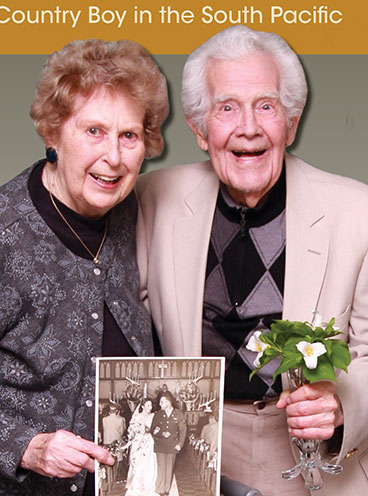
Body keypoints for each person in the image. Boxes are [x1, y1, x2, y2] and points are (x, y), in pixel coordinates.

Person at [136, 25, 368, 495]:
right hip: (190, 445)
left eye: (266, 106)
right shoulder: (152, 197)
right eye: (227, 108)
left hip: (311, 455)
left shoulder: (357, 211)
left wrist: (342, 402)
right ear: (200, 131)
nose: (248, 127)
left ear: (291, 123)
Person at [0, 38, 168, 495]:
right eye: (93, 131)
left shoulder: (126, 213)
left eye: (129, 136)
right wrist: (28, 446)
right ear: (53, 133)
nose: (113, 157)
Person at [150, 392, 187, 496]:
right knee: (161, 467)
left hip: (172, 445)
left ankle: (166, 490)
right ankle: (160, 490)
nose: (160, 404)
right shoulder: (158, 414)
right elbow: (152, 429)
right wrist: (161, 433)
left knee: (169, 468)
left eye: (162, 402)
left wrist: (180, 444)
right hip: (160, 445)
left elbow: (183, 430)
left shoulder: (178, 414)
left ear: (168, 402)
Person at [124, 398, 157, 496]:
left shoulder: (153, 416)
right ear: (142, 406)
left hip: (149, 441)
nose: (150, 408)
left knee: (149, 462)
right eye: (147, 405)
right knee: (138, 463)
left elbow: (155, 427)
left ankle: (148, 483)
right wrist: (138, 432)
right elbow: (131, 430)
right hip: (138, 442)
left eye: (151, 405)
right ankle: (138, 484)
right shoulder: (137, 417)